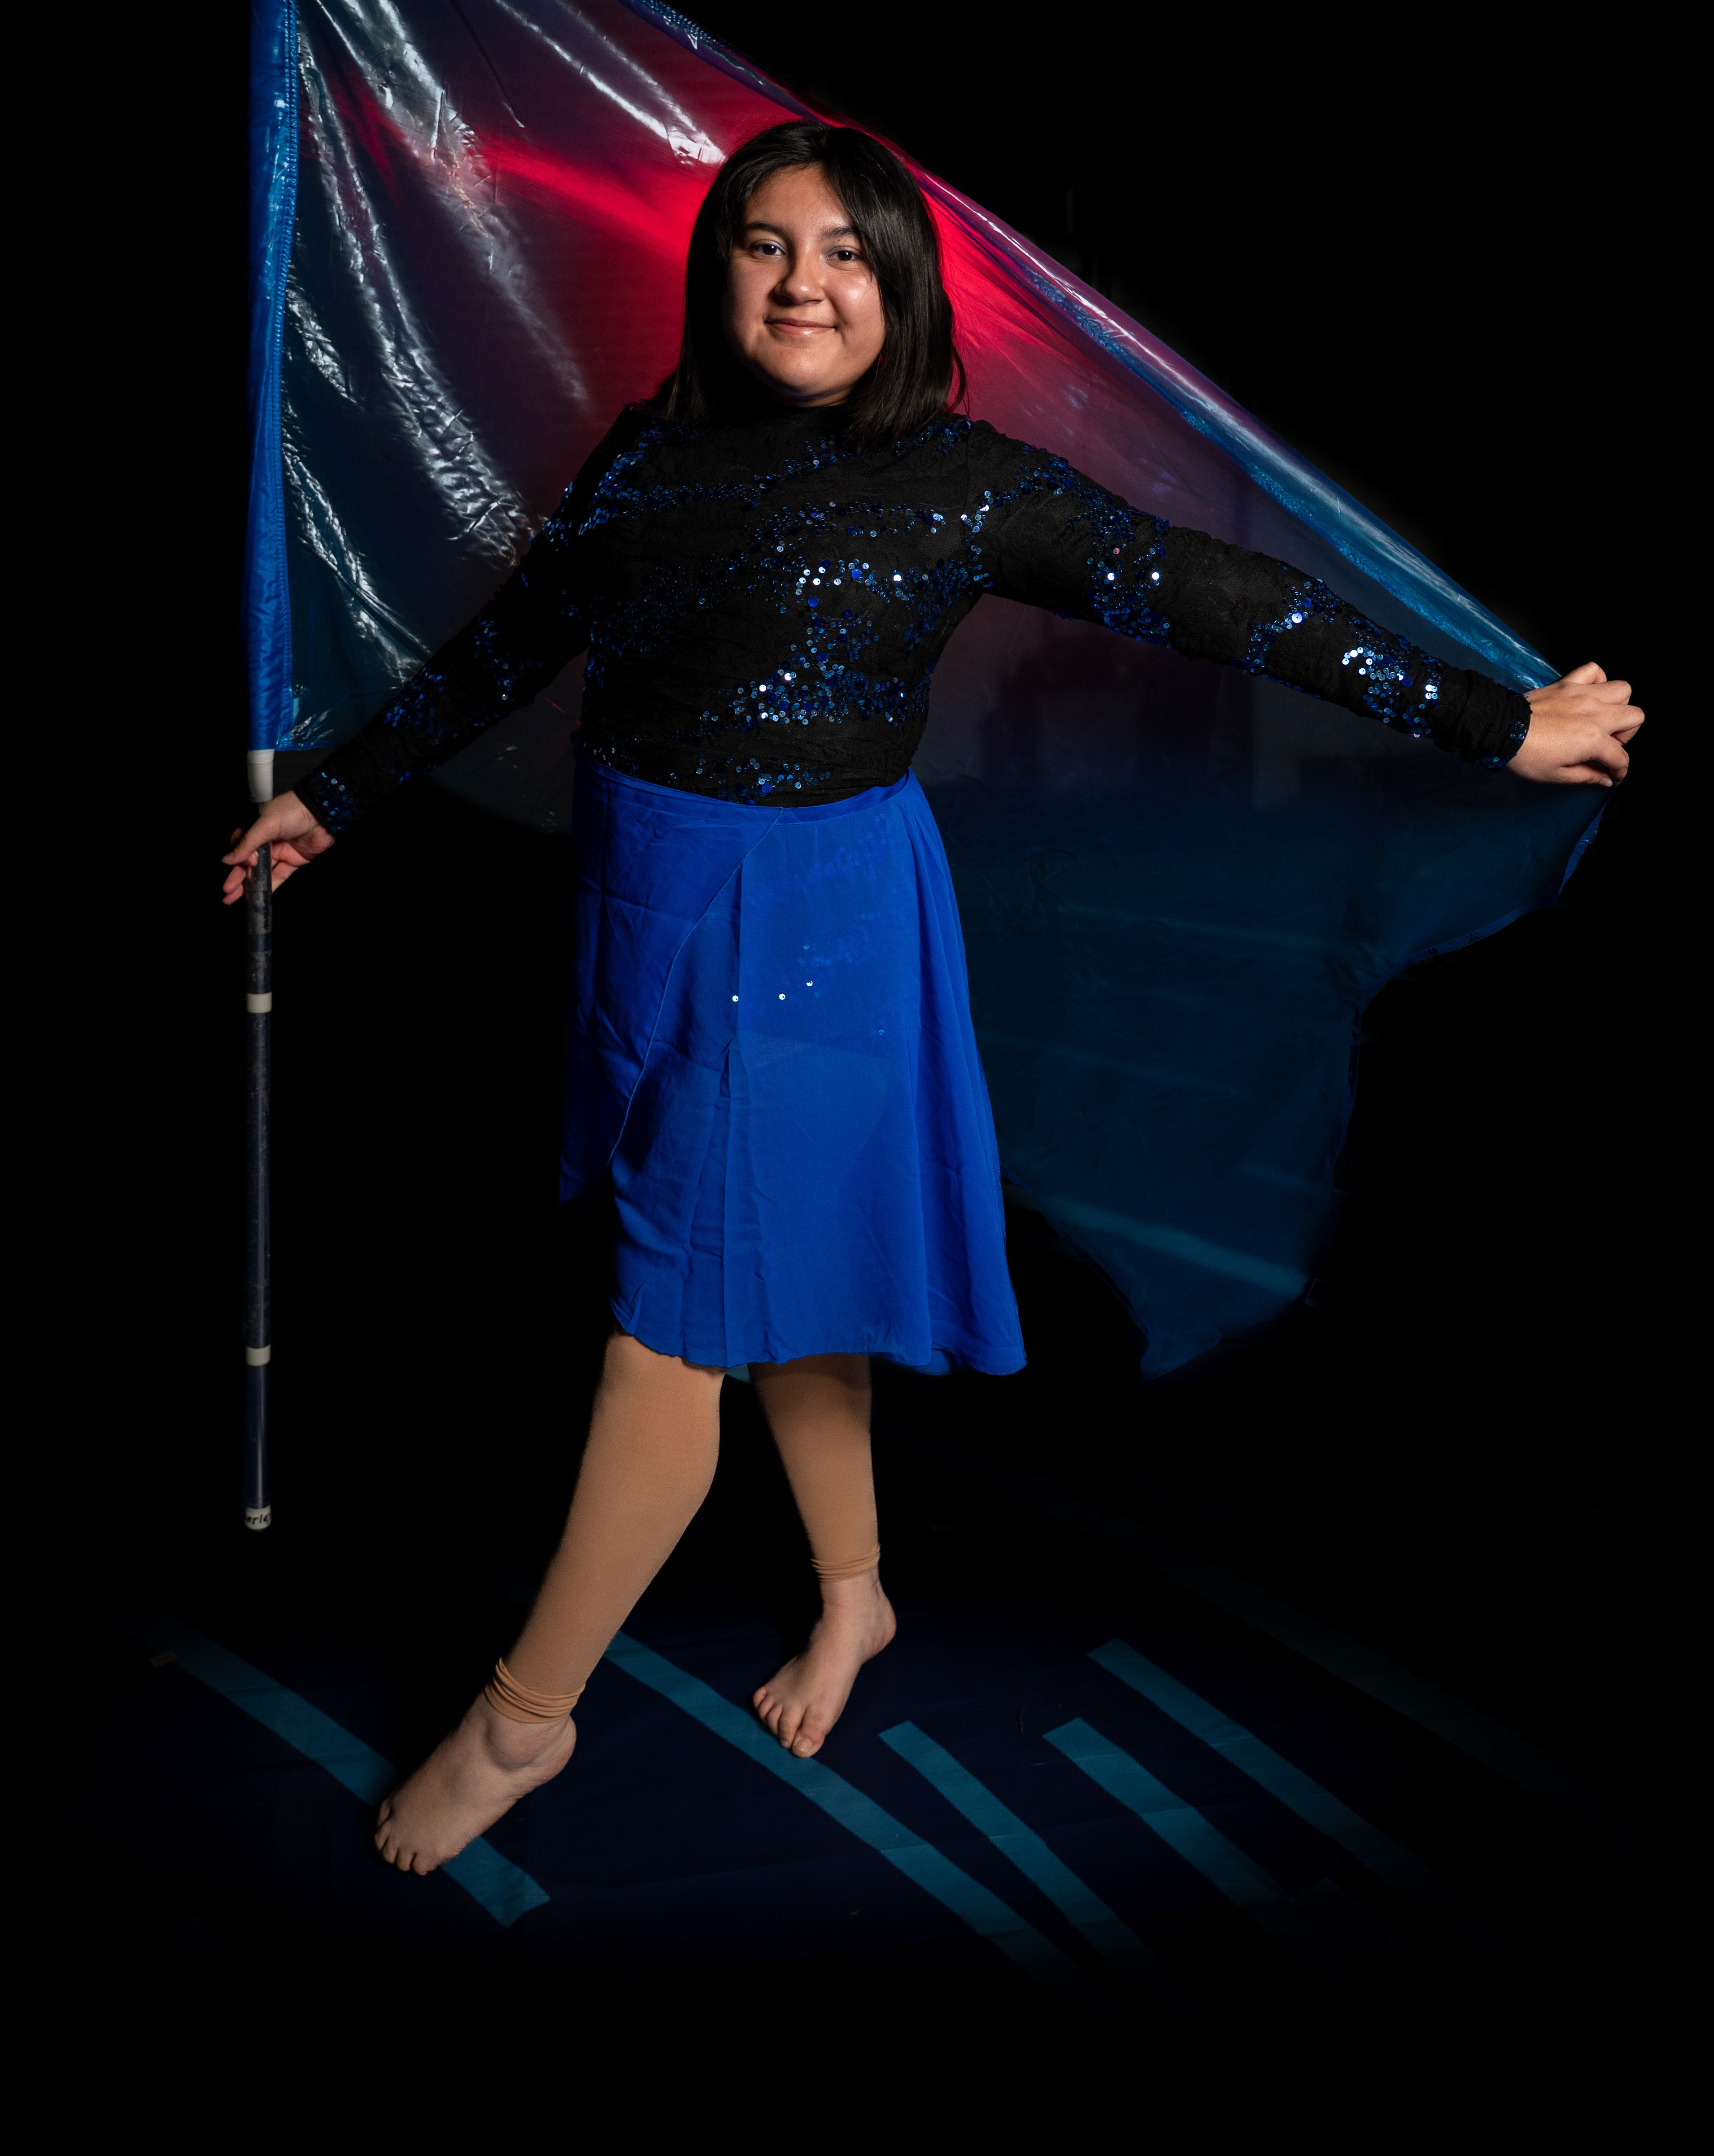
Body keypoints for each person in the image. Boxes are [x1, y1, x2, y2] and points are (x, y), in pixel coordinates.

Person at [223, 122, 1642, 1875]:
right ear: (719, 267)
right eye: (766, 244)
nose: (803, 283)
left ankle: (526, 1716)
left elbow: (1221, 599)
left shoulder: (964, 482)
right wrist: (338, 792)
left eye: (846, 252)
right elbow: (518, 639)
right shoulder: (651, 448)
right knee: (778, 1274)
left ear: (902, 286)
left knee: (672, 1321)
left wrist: (1489, 720)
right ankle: (857, 1593)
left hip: (811, 922)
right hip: (646, 903)